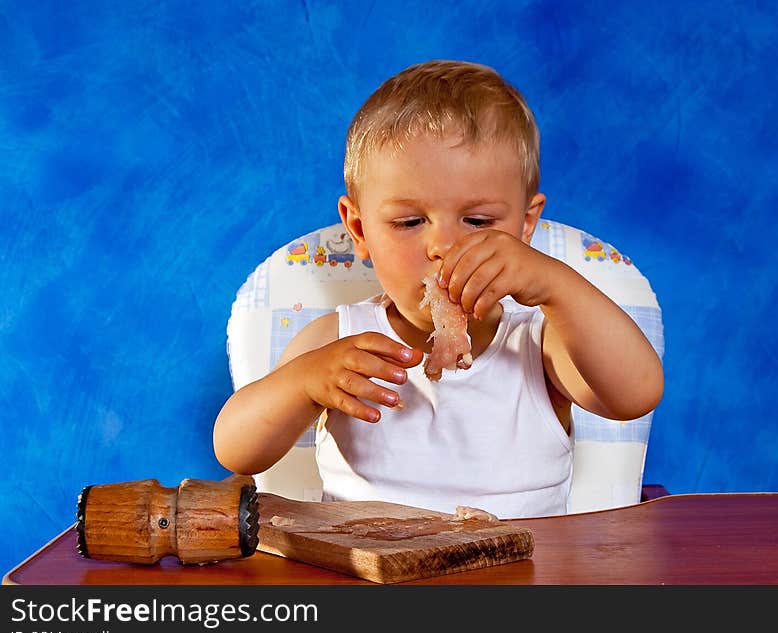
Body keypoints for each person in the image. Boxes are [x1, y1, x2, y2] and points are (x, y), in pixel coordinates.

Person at [213, 60, 664, 518]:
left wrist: (554, 284)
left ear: (525, 226)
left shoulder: (542, 344)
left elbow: (636, 394)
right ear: (359, 229)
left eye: (478, 221)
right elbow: (237, 452)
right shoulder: (339, 342)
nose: (443, 246)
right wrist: (304, 383)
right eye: (409, 222)